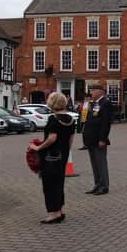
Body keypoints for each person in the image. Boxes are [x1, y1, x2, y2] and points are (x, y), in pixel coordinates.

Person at [28, 92, 75, 224]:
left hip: (50, 157)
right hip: (63, 155)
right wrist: (66, 152)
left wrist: (37, 148)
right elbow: (71, 139)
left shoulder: (53, 119)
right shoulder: (70, 119)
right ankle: (59, 210)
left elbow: (52, 138)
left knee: (49, 185)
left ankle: (53, 213)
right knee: (59, 183)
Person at [82, 84, 112, 196]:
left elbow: (105, 123)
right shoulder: (94, 103)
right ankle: (97, 184)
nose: (91, 93)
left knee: (101, 163)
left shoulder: (105, 103)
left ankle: (104, 186)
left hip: (99, 139)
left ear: (100, 91)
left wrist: (103, 139)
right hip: (91, 139)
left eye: (93, 90)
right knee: (94, 164)